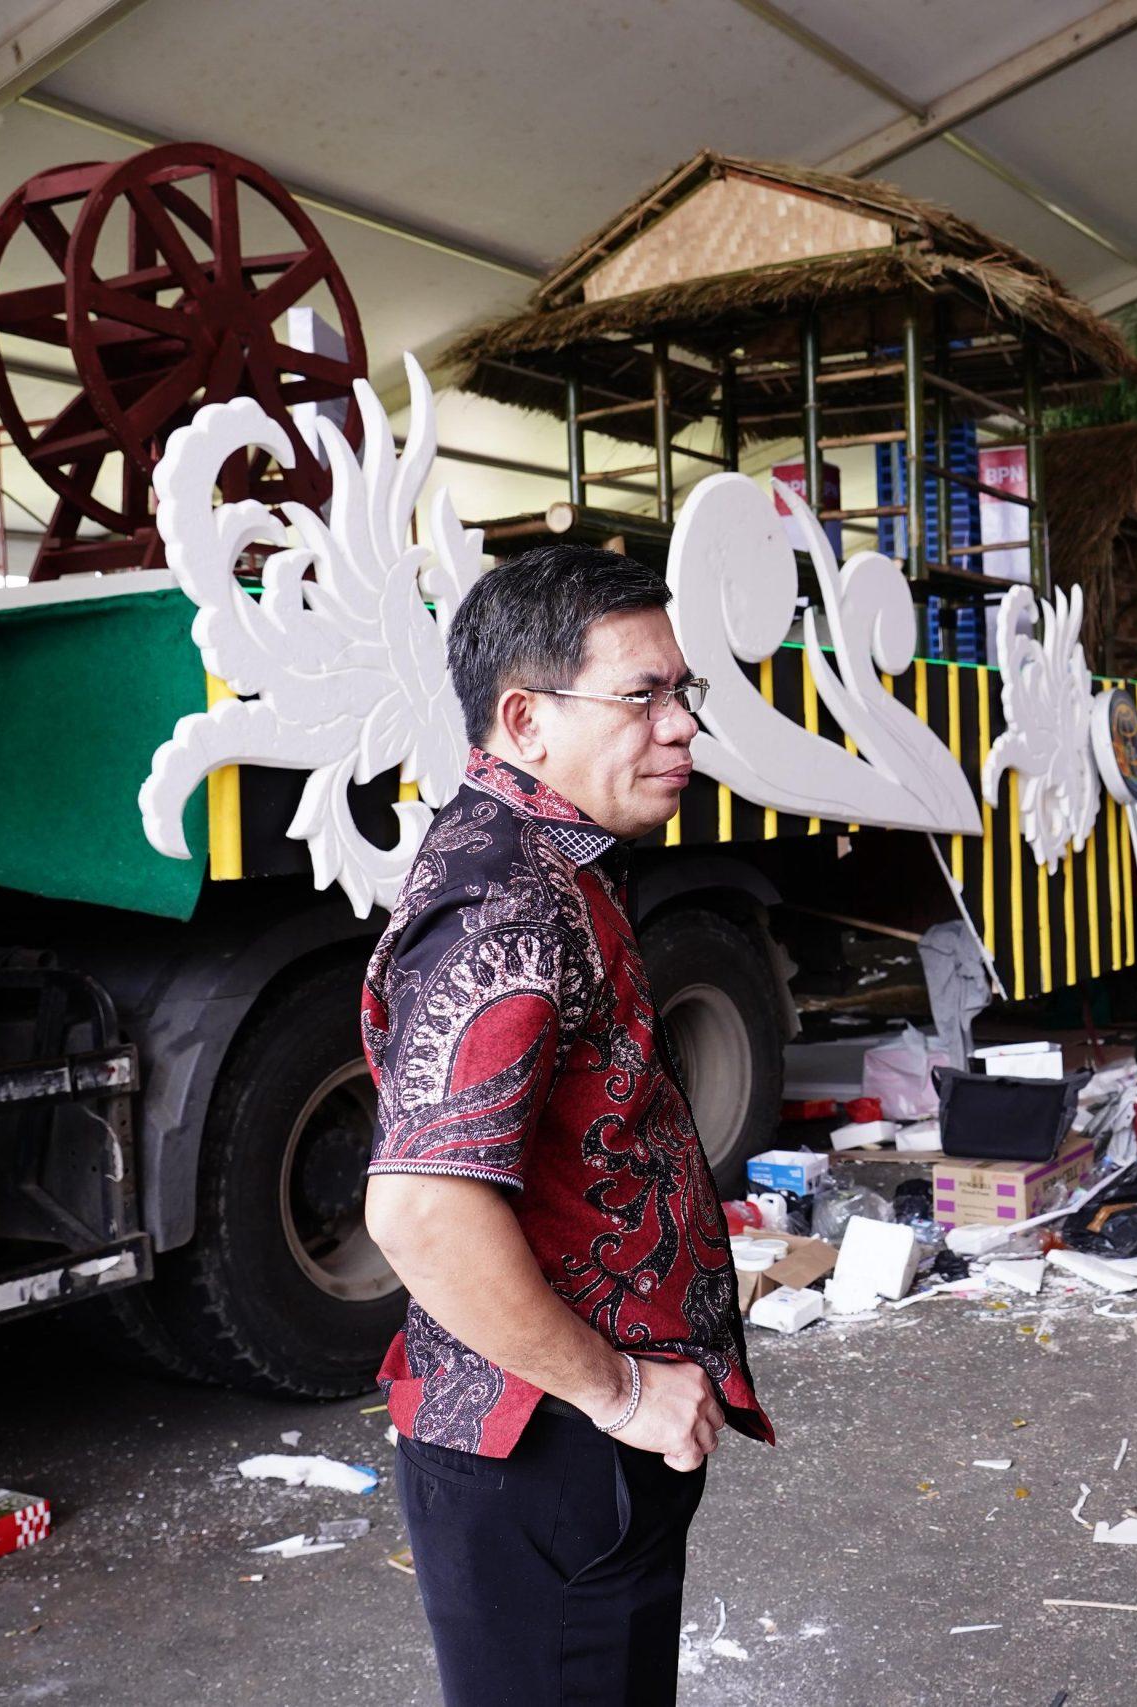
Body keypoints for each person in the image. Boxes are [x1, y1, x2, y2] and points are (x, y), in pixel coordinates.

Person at [361, 544, 770, 1707]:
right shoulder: (508, 907)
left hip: (569, 1454)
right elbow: (421, 1214)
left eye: (683, 691)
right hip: (547, 1457)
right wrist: (621, 1393)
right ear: (525, 720)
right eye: (642, 695)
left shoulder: (550, 857)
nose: (682, 725)